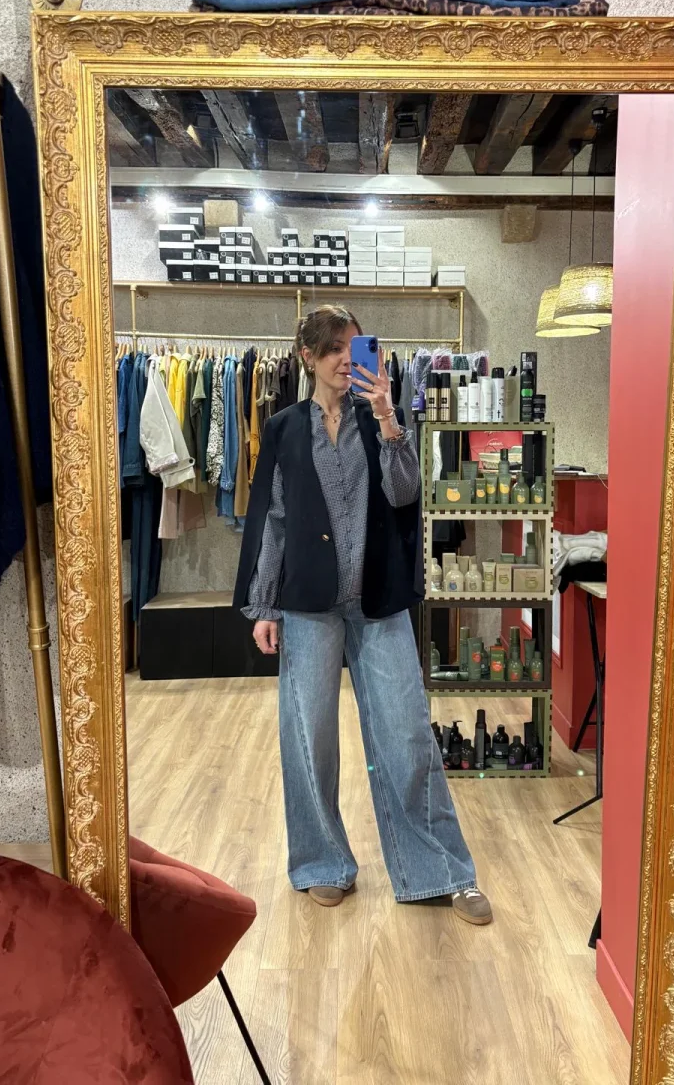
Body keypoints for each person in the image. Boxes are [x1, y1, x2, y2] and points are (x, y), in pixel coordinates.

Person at [234, 305, 491, 925]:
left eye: (354, 349)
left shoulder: (380, 418)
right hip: (307, 604)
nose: (346, 362)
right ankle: (322, 862)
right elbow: (272, 521)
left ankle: (442, 869)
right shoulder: (284, 428)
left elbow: (405, 495)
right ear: (308, 357)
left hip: (377, 598)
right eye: (333, 351)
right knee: (309, 738)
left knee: (407, 733)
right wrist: (262, 606)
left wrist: (389, 421)